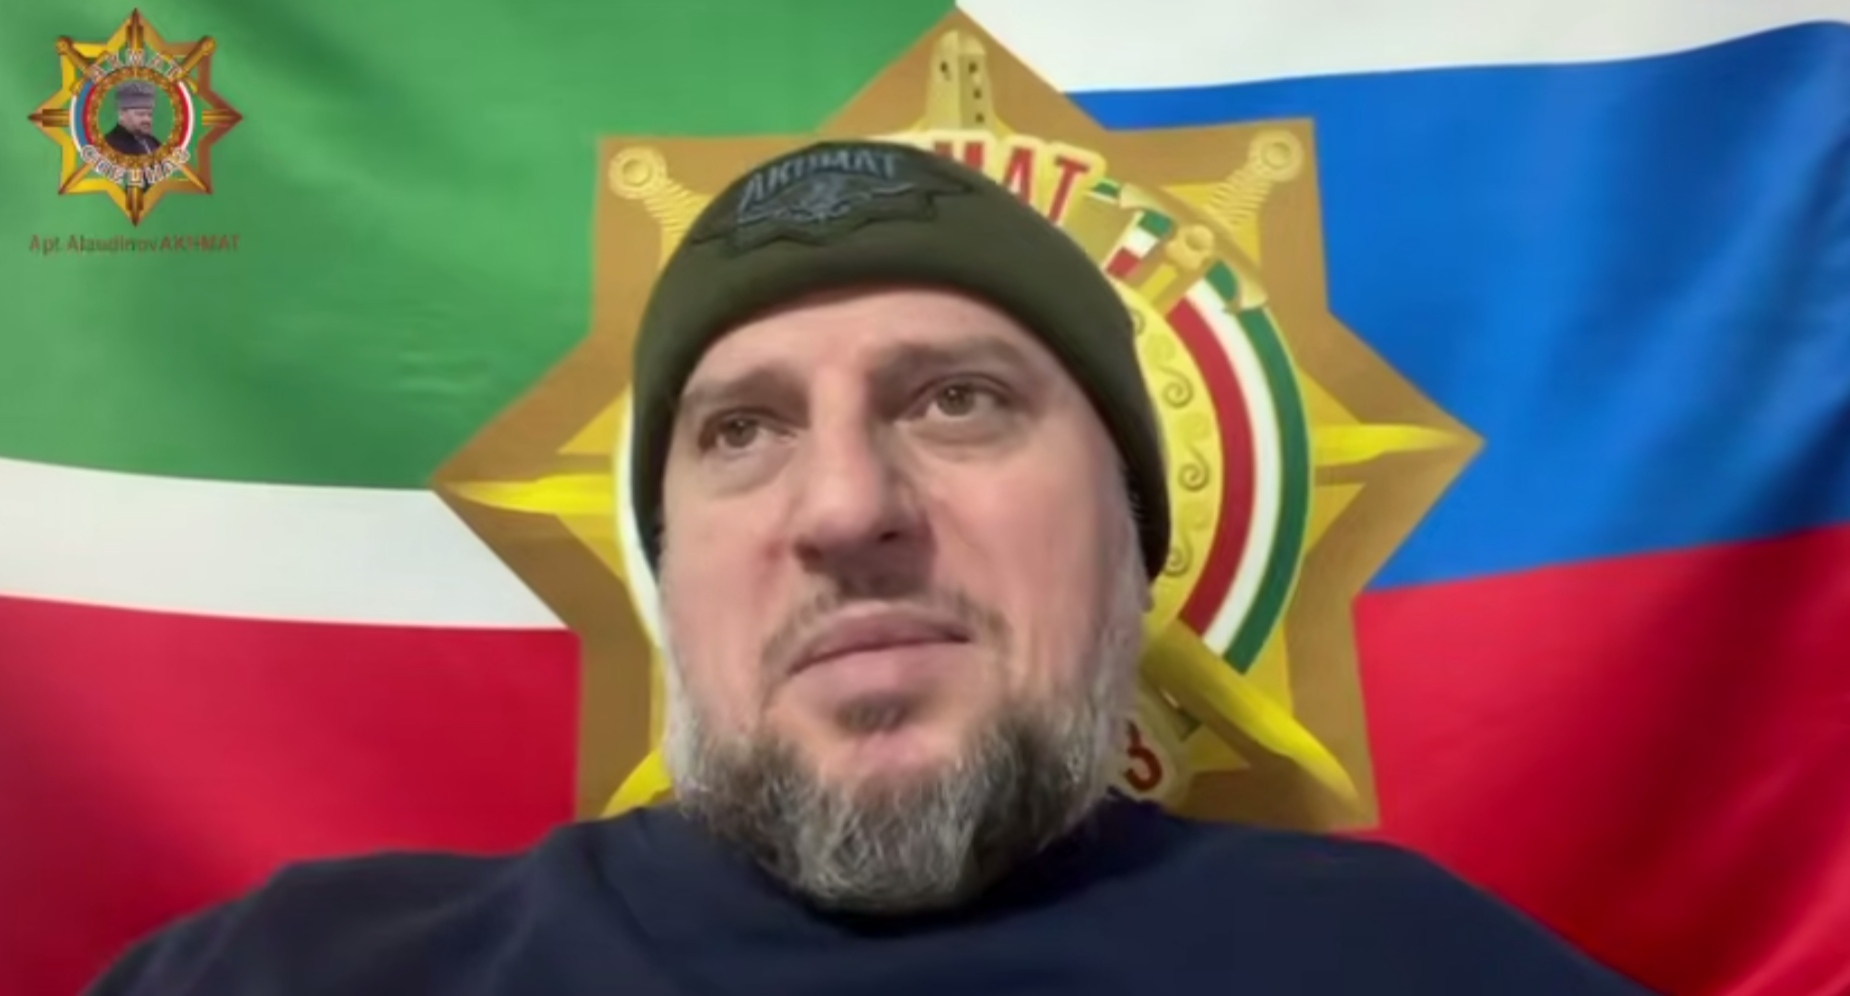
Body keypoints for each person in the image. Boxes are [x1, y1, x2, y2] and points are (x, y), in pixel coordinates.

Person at [85, 140, 1654, 995]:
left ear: (1132, 532)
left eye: (956, 401)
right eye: (741, 430)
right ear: (668, 576)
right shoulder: (286, 975)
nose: (844, 507)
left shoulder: (1417, 969)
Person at [102, 81, 161, 157]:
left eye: (150, 115)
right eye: (140, 114)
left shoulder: (153, 142)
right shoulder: (108, 146)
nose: (147, 119)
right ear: (121, 114)